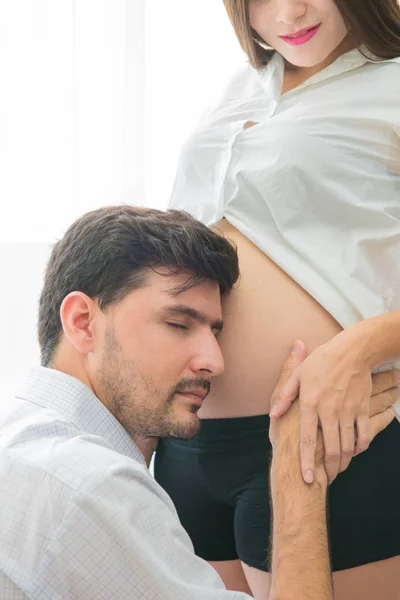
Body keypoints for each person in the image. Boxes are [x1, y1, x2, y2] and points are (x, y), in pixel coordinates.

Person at [5, 205, 392, 599]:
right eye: (178, 324)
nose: (215, 362)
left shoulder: (22, 444)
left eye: (215, 332)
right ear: (82, 322)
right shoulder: (92, 488)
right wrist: (296, 472)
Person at [154, 1, 400, 598]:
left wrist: (357, 349)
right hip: (187, 443)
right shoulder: (240, 90)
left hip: (331, 439)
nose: (290, 11)